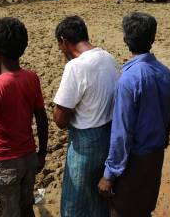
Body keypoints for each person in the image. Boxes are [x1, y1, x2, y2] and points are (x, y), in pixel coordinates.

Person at [98, 12, 170, 217]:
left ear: (125, 39)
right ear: (152, 38)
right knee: (144, 209)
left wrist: (109, 174)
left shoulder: (128, 80)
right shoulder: (165, 73)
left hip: (134, 160)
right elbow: (167, 117)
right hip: (155, 155)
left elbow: (121, 133)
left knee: (121, 211)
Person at [0, 18, 48, 217]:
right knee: (26, 207)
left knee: (5, 211)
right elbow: (41, 118)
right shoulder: (31, 77)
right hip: (29, 157)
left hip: (3, 163)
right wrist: (42, 153)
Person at [53, 16, 120, 217]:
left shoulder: (76, 67)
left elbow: (60, 119)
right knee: (98, 202)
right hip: (108, 136)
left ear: (64, 42)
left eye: (60, 45)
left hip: (85, 144)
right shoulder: (108, 57)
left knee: (75, 203)